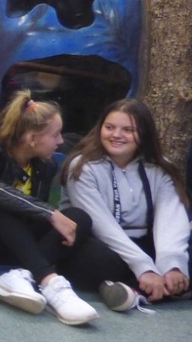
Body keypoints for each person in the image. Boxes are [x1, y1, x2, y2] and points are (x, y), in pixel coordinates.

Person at [0, 90, 98, 325]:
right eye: (55, 135)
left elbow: (32, 221)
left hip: (13, 246)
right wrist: (49, 212)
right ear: (32, 139)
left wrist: (52, 217)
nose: (60, 141)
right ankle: (49, 281)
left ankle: (21, 275)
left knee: (78, 218)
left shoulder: (44, 165)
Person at [60, 98, 190, 310]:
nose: (116, 135)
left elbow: (171, 218)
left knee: (180, 255)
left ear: (144, 133)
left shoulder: (160, 167)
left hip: (145, 242)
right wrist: (144, 267)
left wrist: (172, 264)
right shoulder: (82, 167)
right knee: (100, 260)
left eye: (128, 130)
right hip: (102, 244)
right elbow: (102, 226)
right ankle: (150, 287)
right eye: (109, 127)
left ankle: (136, 288)